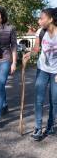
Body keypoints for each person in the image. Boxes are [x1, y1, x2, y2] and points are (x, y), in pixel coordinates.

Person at [23, 8, 57, 141]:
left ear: (50, 19)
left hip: (55, 72)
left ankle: (50, 125)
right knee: (39, 99)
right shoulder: (41, 31)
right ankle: (38, 127)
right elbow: (37, 48)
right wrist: (29, 54)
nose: (39, 21)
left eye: (41, 18)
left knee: (54, 100)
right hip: (42, 69)